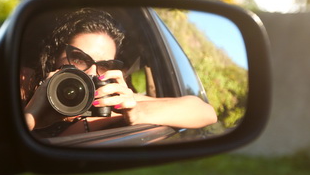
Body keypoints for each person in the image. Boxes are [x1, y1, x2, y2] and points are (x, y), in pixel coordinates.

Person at [22, 8, 217, 137]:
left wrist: (135, 113)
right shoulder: (25, 86)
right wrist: (32, 116)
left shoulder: (109, 101)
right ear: (54, 56)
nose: (91, 72)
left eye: (104, 65)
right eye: (79, 58)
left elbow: (204, 111)